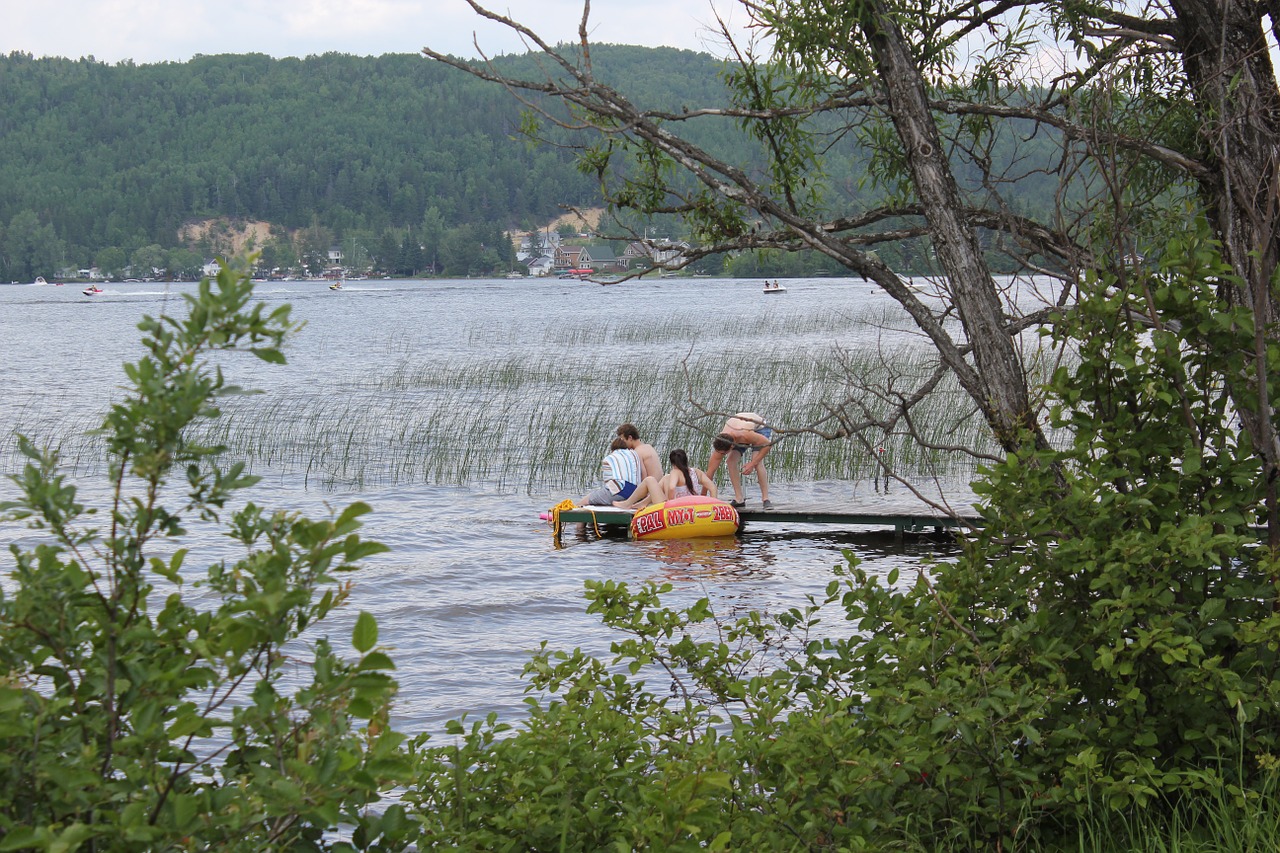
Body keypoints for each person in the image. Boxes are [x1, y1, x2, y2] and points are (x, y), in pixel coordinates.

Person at [705, 412, 773, 508]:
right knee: (730, 461)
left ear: (732, 446)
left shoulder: (746, 435)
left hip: (759, 428)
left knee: (757, 462)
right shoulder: (721, 441)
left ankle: (766, 499)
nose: (721, 455)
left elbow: (768, 445)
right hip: (737, 428)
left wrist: (752, 464)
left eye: (724, 453)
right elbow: (710, 473)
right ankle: (739, 499)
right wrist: (701, 498)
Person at [613, 447, 717, 509]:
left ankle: (627, 503)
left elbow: (672, 487)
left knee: (649, 480)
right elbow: (713, 488)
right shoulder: (696, 472)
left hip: (675, 507)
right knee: (666, 478)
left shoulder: (675, 472)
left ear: (673, 463)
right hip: (691, 506)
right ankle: (643, 503)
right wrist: (713, 505)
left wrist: (671, 503)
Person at [579, 437, 644, 506]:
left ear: (613, 449)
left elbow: (608, 483)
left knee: (586, 500)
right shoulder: (635, 454)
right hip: (636, 491)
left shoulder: (609, 459)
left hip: (621, 489)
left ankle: (574, 511)